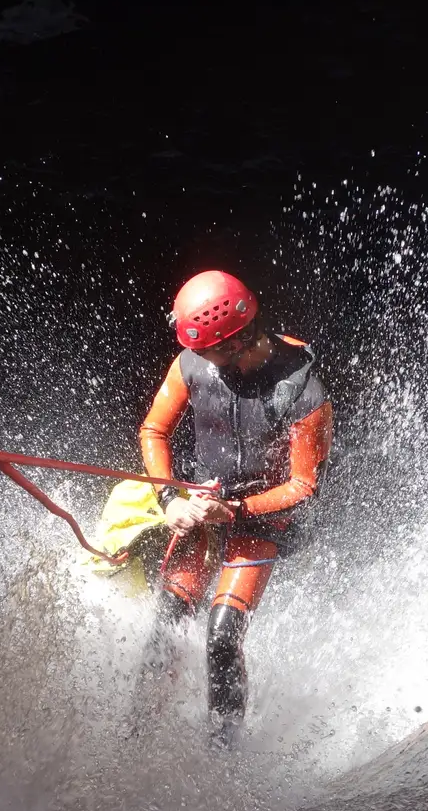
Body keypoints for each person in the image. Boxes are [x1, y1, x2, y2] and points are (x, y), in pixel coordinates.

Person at [136, 270, 333, 745]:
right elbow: (153, 432)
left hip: (259, 517)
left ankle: (224, 752)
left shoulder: (302, 389)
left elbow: (305, 485)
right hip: (203, 505)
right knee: (167, 620)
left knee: (222, 636)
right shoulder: (191, 365)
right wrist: (171, 500)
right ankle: (137, 733)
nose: (197, 358)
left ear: (237, 341)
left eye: (205, 349)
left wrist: (237, 510)